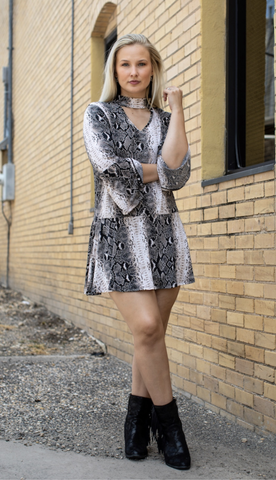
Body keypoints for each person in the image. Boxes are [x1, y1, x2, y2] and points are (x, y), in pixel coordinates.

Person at [83, 33, 194, 470]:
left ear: (153, 69)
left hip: (165, 234)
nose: (133, 72)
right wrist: (157, 171)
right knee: (147, 328)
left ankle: (135, 422)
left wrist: (180, 110)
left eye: (141, 64)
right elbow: (111, 168)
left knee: (149, 338)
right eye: (125, 64)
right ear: (114, 70)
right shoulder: (98, 114)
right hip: (118, 235)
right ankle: (171, 430)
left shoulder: (166, 119)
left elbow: (179, 172)